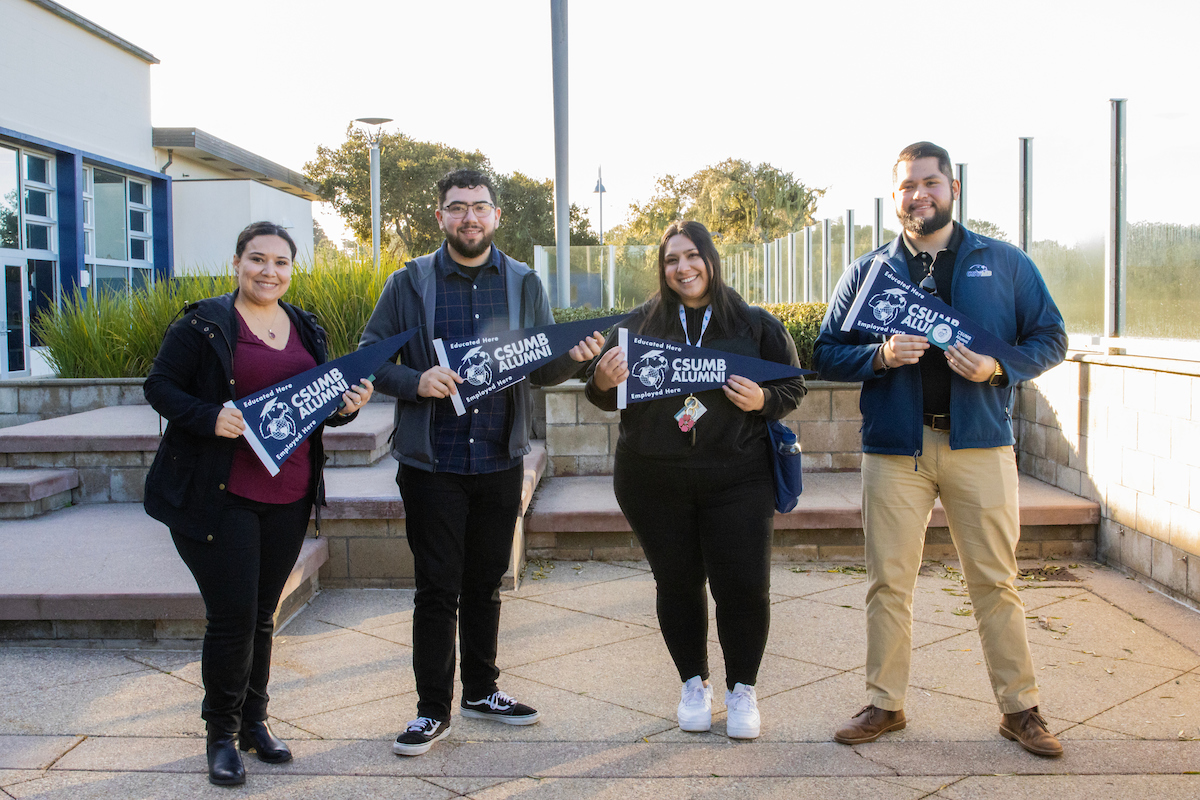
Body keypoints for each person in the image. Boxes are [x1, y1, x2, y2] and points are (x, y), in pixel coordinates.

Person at [813, 142, 1069, 756]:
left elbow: (1051, 337)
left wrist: (997, 367)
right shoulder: (870, 271)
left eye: (930, 183)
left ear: (952, 189)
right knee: (888, 584)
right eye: (907, 186)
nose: (918, 194)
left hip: (979, 444)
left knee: (994, 581)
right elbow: (825, 352)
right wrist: (877, 355)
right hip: (896, 450)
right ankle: (885, 704)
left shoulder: (1002, 263)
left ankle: (1021, 710)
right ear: (895, 194)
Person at [358, 169, 604, 756]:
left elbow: (540, 367)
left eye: (480, 207)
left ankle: (481, 691)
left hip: (498, 458)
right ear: (440, 216)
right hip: (433, 462)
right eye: (457, 207)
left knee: (486, 585)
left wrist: (573, 358)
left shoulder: (523, 284)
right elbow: (368, 358)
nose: (469, 216)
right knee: (437, 590)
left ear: (496, 216)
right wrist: (416, 380)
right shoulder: (410, 282)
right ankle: (430, 710)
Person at [144, 221, 373, 786]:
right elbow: (159, 387)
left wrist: (348, 406)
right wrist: (207, 416)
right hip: (222, 494)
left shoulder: (305, 326)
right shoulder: (204, 324)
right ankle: (219, 735)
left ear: (292, 270)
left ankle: (254, 722)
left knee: (262, 616)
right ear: (237, 263)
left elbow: (315, 400)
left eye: (280, 263)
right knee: (232, 618)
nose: (269, 271)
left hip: (290, 491)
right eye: (257, 260)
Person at [585, 220, 807, 740]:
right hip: (652, 478)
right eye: (671, 260)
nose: (682, 268)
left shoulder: (754, 324)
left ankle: (742, 690)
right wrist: (601, 379)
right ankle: (694, 684)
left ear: (710, 258)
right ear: (662, 269)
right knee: (678, 585)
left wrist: (764, 401)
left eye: (691, 256)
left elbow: (793, 386)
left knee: (745, 587)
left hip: (737, 477)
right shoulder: (638, 325)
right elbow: (601, 394)